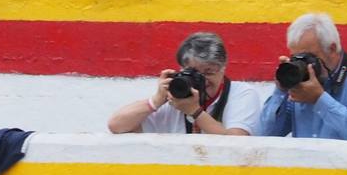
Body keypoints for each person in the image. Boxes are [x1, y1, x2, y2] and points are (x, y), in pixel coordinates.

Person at [107, 32, 261, 136]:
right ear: (181, 70)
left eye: (208, 72)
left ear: (223, 69)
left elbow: (237, 143)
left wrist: (195, 112)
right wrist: (156, 100)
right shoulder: (175, 98)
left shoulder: (241, 93)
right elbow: (116, 126)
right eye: (194, 73)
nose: (202, 80)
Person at [259, 12, 347, 140]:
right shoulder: (300, 84)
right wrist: (281, 90)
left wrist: (319, 99)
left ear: (332, 49)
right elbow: (265, 135)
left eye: (308, 57)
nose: (303, 64)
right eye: (296, 58)